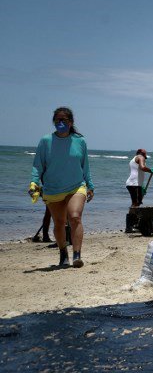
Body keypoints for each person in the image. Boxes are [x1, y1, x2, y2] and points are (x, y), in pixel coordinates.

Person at [29, 107, 94, 268]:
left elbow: (85, 166)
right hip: (53, 188)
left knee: (75, 217)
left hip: (76, 186)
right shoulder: (46, 141)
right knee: (59, 222)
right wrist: (34, 182)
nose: (60, 122)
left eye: (64, 120)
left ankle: (77, 255)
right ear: (54, 122)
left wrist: (90, 185)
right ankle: (63, 252)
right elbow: (38, 165)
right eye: (57, 120)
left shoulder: (80, 141)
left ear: (71, 122)